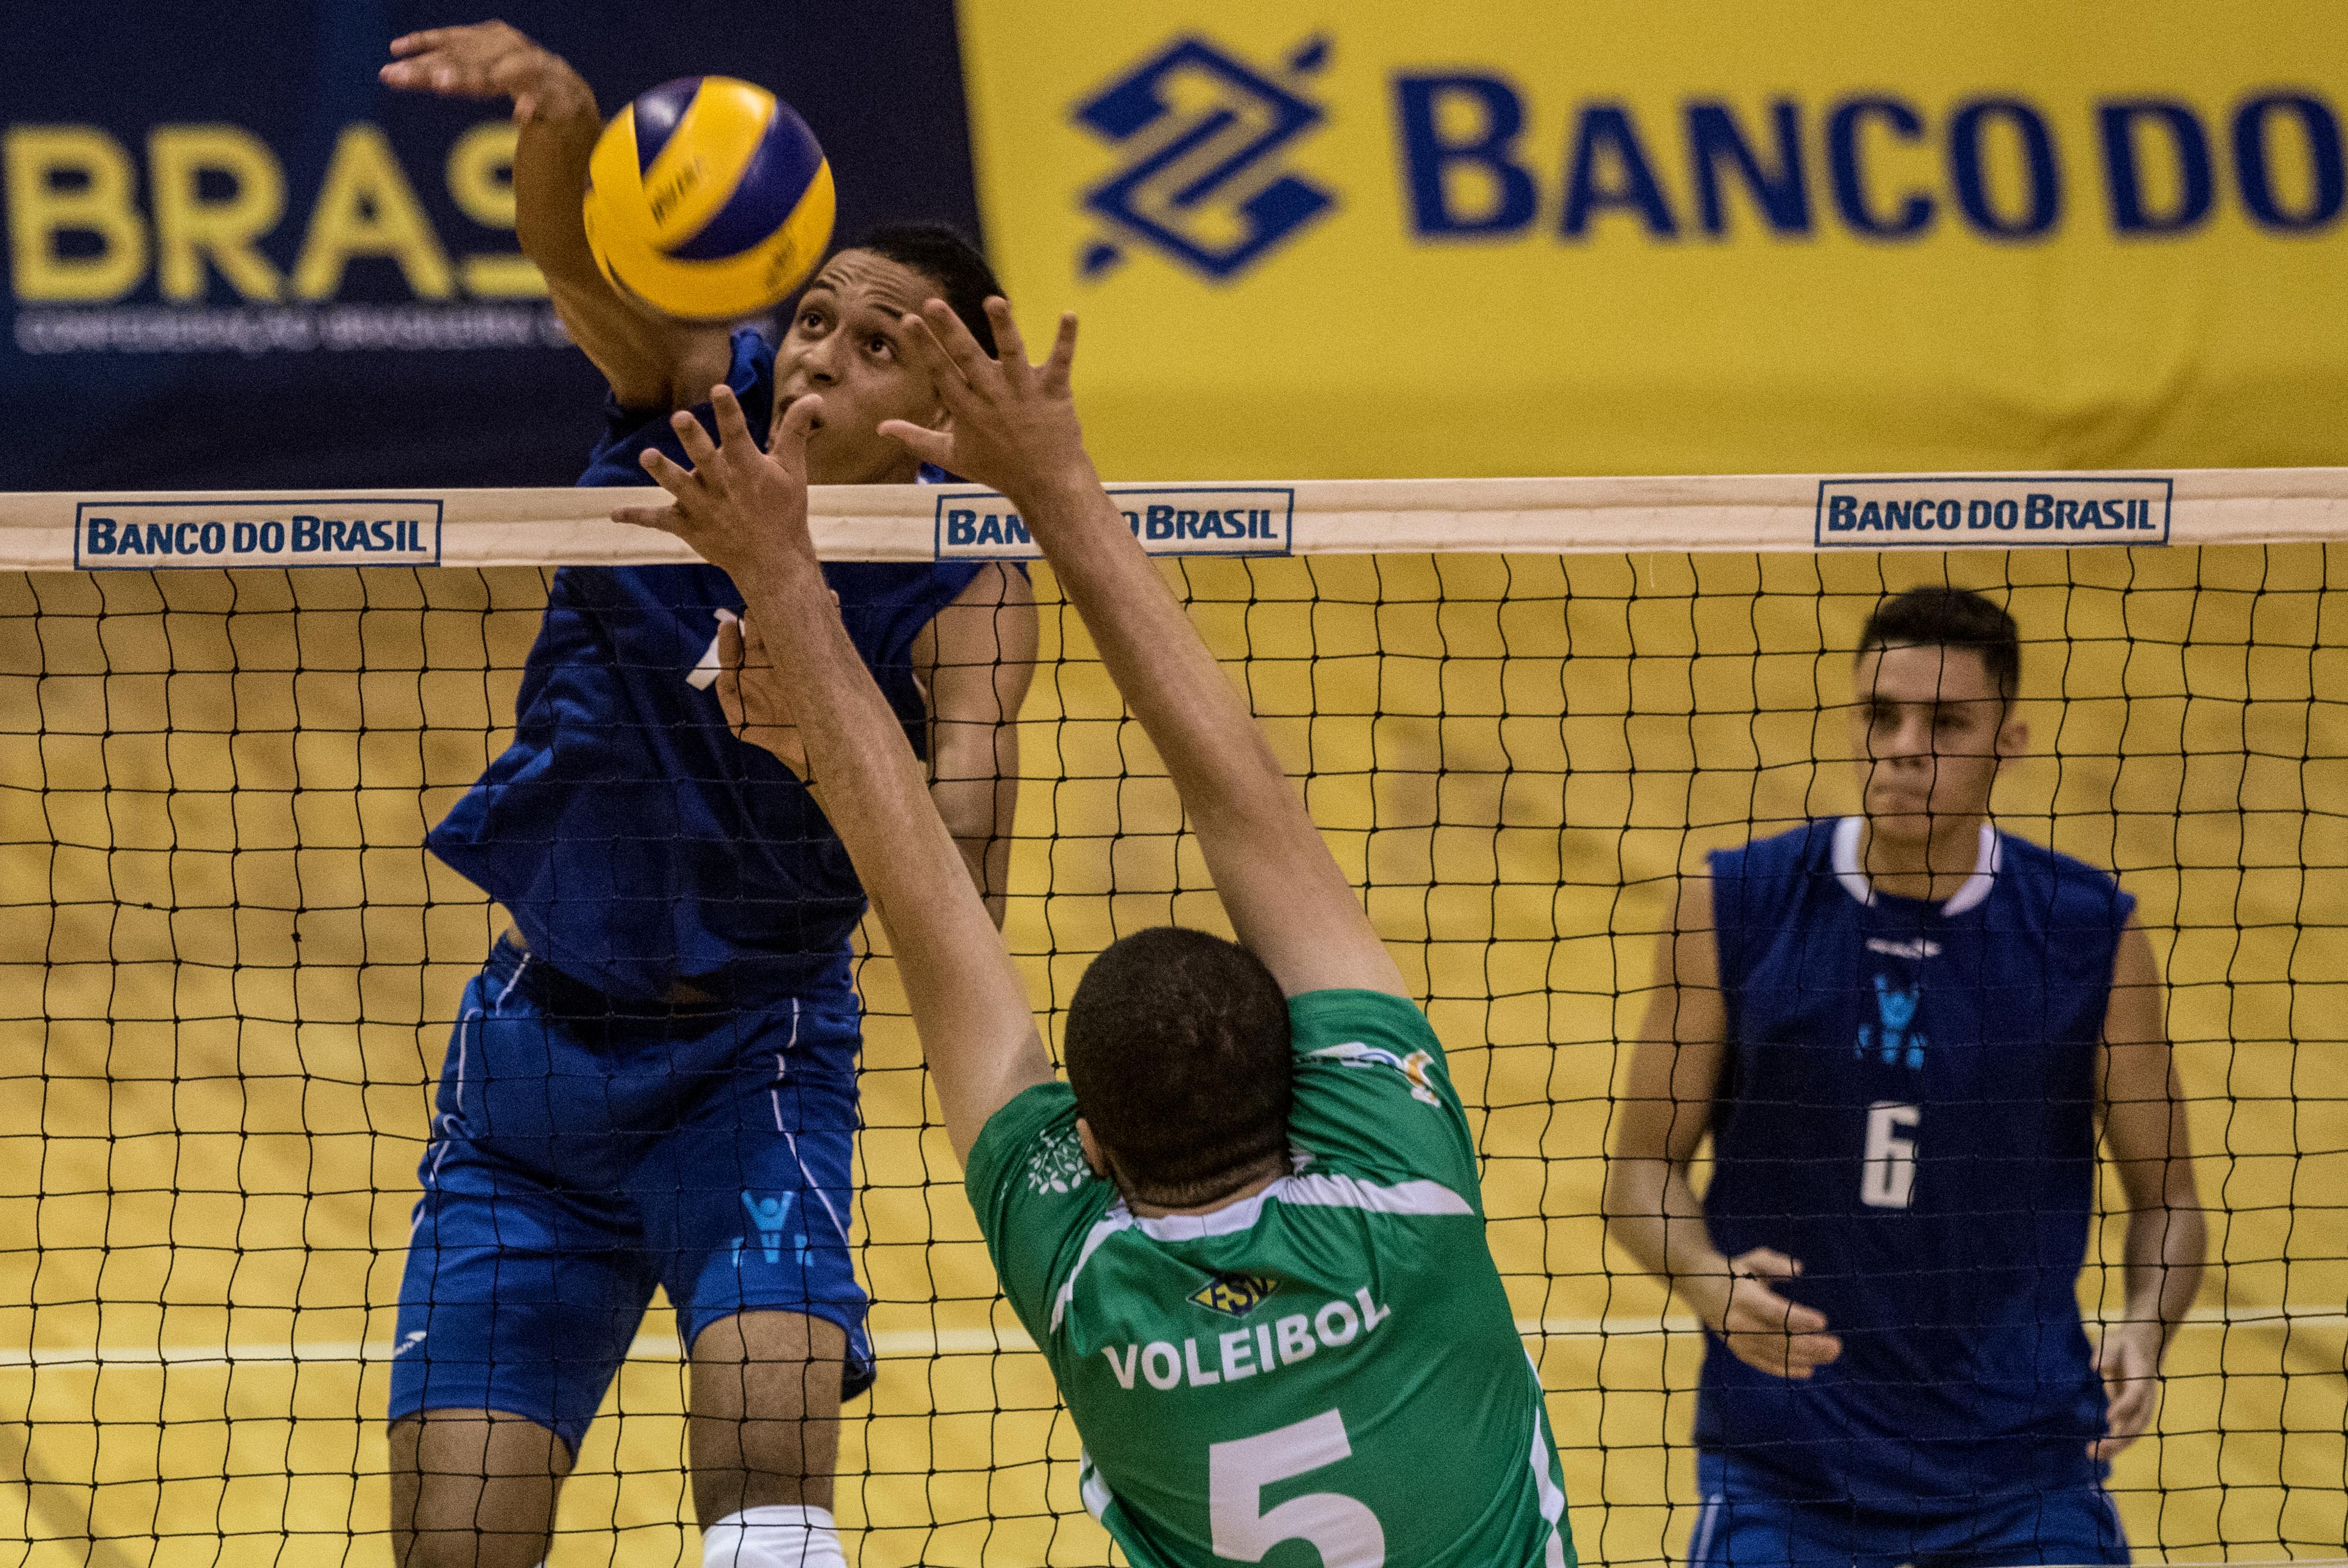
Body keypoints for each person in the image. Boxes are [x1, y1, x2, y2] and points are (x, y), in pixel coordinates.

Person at [618, 294, 1577, 1567]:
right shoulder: (1400, 1185)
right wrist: (1053, 481)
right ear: (1308, 1083)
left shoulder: (1084, 1273)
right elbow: (1243, 801)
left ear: (1092, 1141)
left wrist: (780, 581)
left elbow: (924, 908)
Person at [379, 24, 1037, 1568]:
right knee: (458, 1543)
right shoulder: (692, 402)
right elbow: (580, 258)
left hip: (753, 1073)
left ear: (938, 405)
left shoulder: (964, 582)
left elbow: (967, 871)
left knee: (768, 1485)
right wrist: (563, 120)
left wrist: (827, 730)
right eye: (815, 318)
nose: (816, 355)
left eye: (876, 347)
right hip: (531, 1081)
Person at [1604, 587, 2207, 1567]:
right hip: (1789, 1471)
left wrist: (2146, 1322)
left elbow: (2170, 1198)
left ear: (2008, 741)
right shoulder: (1731, 905)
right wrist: (1706, 1283)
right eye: (1882, 715)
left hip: (2024, 1472)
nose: (1903, 745)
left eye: (1945, 722)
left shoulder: (2089, 931)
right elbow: (1638, 1176)